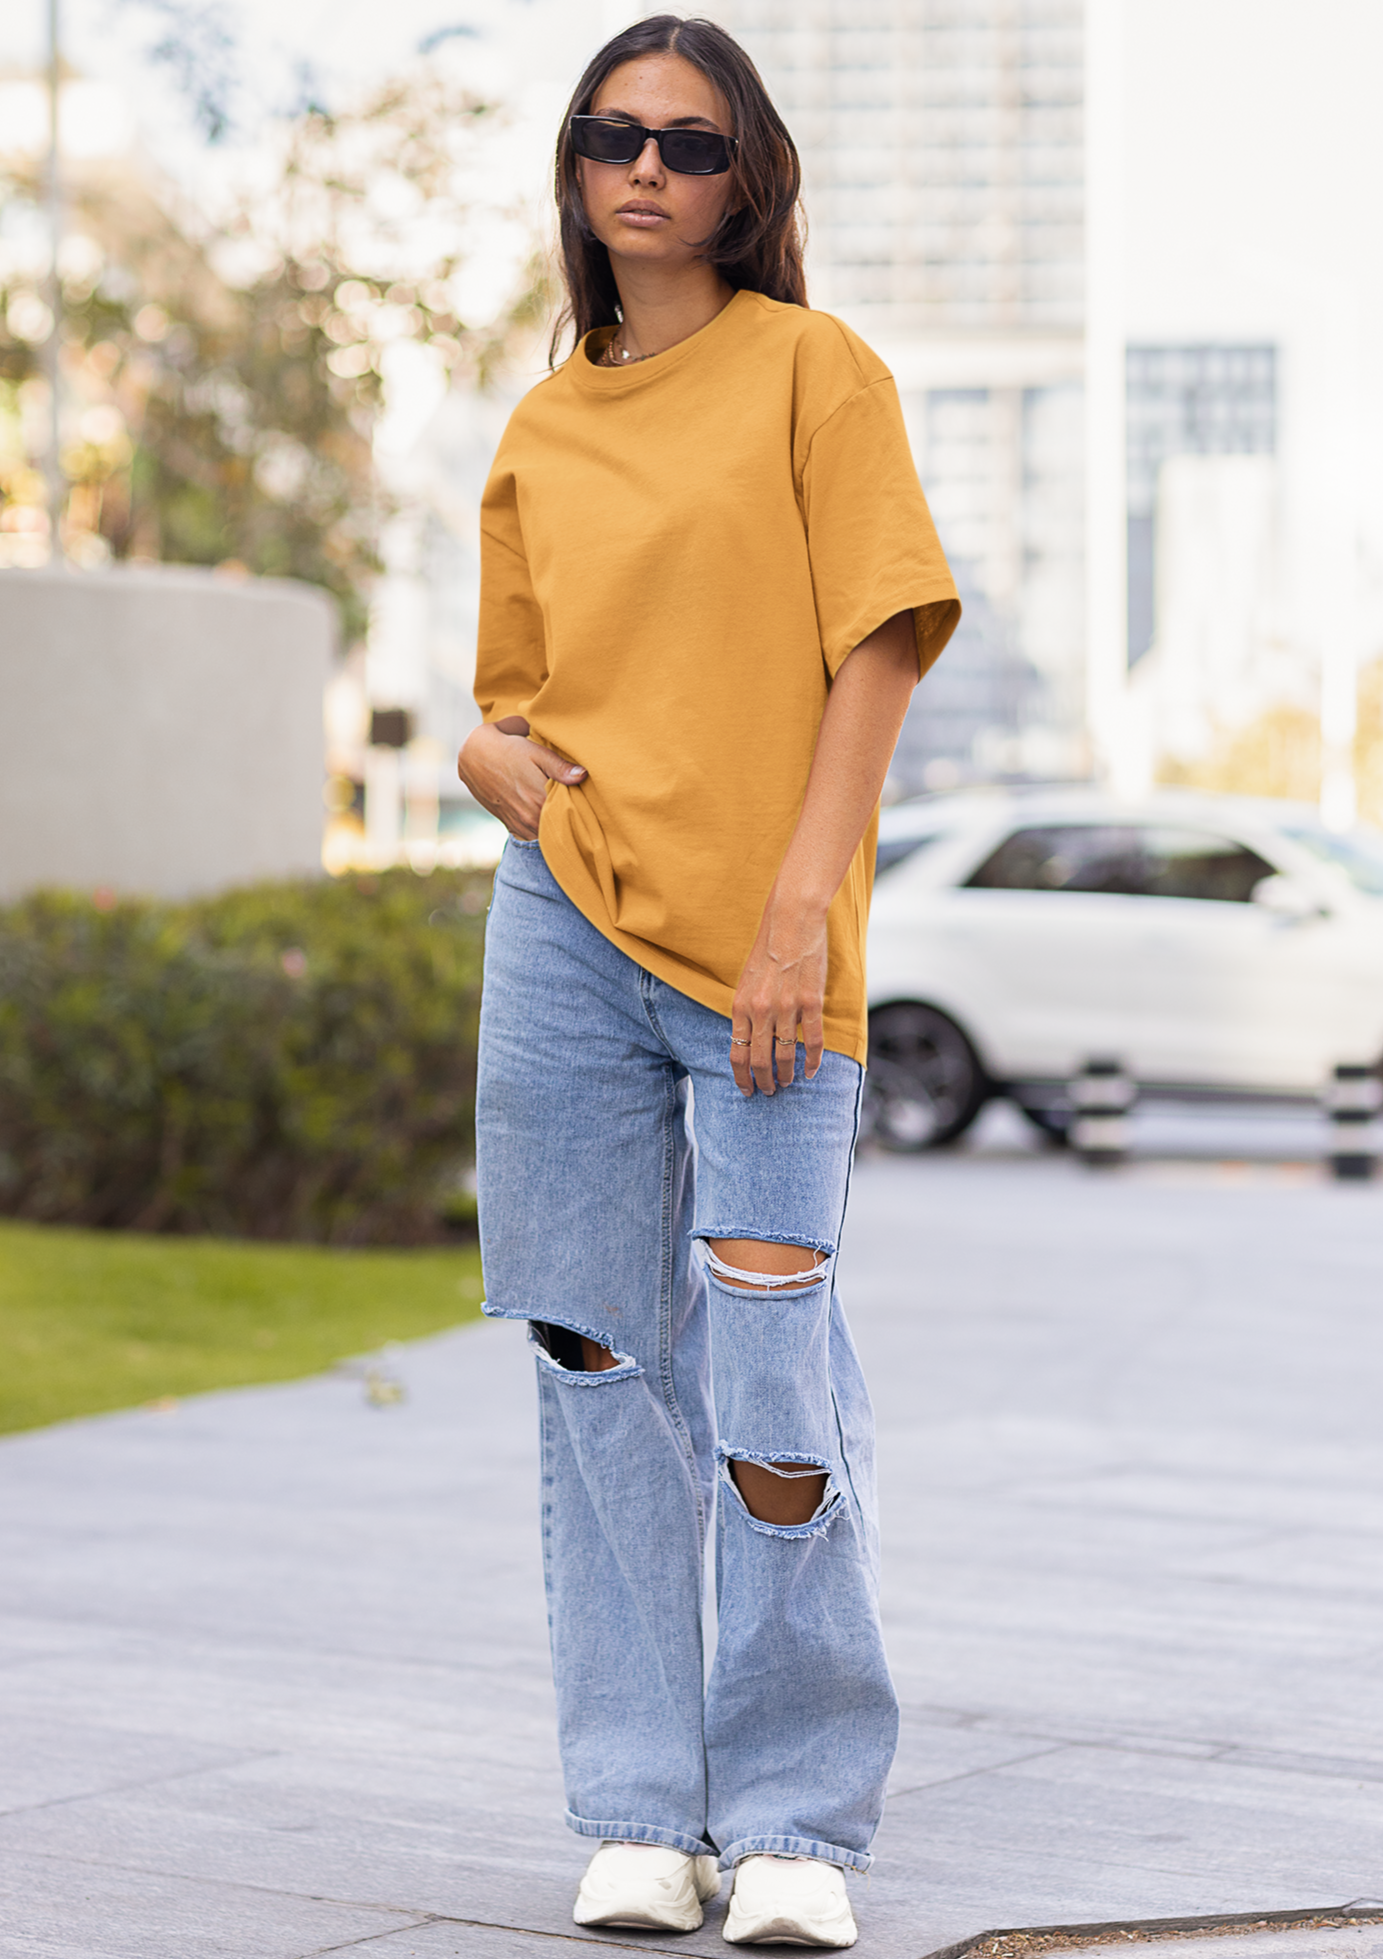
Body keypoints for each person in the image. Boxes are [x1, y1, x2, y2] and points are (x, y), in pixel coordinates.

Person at [458, 14, 959, 1949]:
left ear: (749, 176)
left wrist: (794, 913)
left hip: (763, 949)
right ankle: (639, 1811)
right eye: (612, 136)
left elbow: (880, 649)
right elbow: (509, 702)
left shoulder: (815, 373)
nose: (647, 168)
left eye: (689, 140)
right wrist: (481, 761)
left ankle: (799, 1825)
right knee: (592, 1355)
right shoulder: (544, 422)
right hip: (562, 927)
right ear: (577, 173)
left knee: (767, 1371)